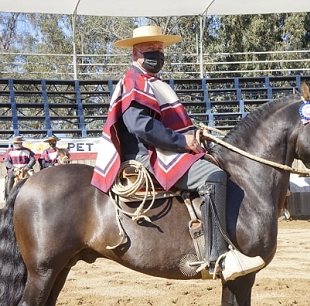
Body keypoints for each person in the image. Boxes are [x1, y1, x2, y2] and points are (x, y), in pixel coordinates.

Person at [90, 26, 263, 281]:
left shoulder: (151, 82)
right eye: (151, 50)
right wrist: (183, 141)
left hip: (158, 149)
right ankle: (217, 256)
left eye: (160, 50)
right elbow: (142, 127)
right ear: (136, 53)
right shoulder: (135, 81)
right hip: (145, 155)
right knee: (213, 175)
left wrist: (192, 133)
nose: (158, 55)